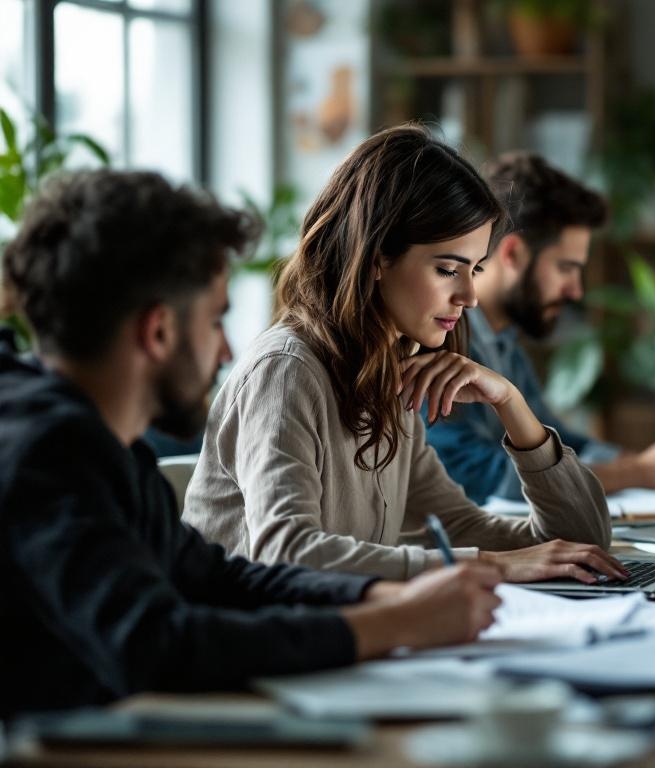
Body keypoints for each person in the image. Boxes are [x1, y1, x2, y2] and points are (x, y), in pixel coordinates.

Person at [0, 170, 503, 719]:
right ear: (159, 331)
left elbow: (218, 577)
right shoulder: (48, 455)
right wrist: (398, 622)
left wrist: (381, 597)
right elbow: (159, 645)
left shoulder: (105, 448)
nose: (226, 352)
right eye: (216, 321)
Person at [182, 126, 625, 585]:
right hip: (262, 647)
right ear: (376, 258)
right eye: (447, 269)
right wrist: (490, 565)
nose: (470, 296)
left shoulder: (390, 378)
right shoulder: (285, 372)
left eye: (475, 269)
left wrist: (512, 405)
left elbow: (577, 540)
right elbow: (286, 551)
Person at [425, 152, 655, 504]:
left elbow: (553, 439)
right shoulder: (437, 340)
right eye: (566, 268)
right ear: (513, 254)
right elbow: (476, 477)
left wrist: (642, 462)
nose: (577, 290)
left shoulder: (502, 341)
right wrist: (640, 472)